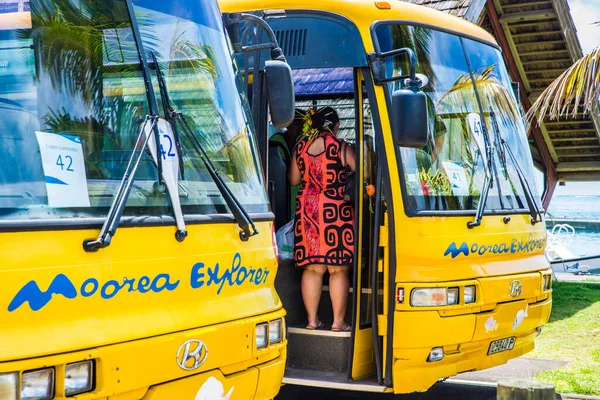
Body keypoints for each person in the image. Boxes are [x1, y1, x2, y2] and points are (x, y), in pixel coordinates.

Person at [288, 106, 355, 332]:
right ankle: (338, 321)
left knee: (313, 268)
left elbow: (294, 180)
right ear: (335, 126)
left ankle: (312, 320)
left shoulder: (301, 147)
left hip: (307, 210)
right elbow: (364, 172)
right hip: (335, 210)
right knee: (337, 269)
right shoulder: (341, 147)